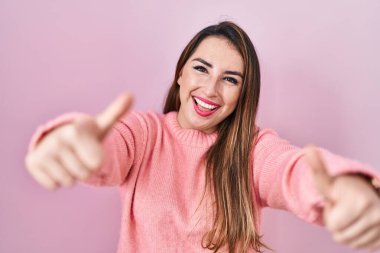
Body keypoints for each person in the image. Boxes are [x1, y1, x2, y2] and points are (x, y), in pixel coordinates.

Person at [25, 21, 380, 253]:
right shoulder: (145, 133)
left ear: (243, 94)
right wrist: (71, 143)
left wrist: (348, 185)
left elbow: (292, 170)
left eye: (230, 79)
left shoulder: (252, 150)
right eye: (201, 68)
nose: (210, 89)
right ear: (180, 74)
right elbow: (109, 149)